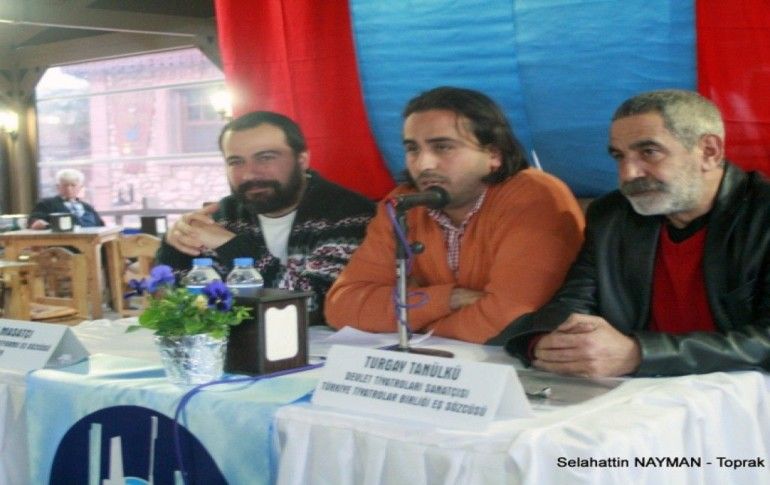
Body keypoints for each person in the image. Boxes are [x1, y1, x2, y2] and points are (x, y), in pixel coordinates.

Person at [501, 89, 770, 377]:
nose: (628, 173)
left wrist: (640, 353)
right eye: (619, 156)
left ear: (709, 151)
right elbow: (573, 303)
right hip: (642, 390)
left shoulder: (761, 213)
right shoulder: (613, 216)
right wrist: (546, 343)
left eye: (649, 152)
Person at [325, 86, 585, 343]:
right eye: (413, 149)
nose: (424, 164)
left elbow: (507, 320)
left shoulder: (534, 197)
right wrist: (448, 299)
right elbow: (341, 307)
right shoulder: (402, 204)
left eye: (443, 147)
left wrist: (410, 321)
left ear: (493, 155)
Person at [156, 111, 375, 324]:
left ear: (302, 160)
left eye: (265, 158)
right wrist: (175, 246)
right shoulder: (223, 216)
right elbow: (180, 306)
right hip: (239, 345)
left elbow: (317, 305)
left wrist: (232, 246)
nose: (249, 173)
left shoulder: (350, 214)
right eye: (236, 162)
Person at [28, 168, 104, 228]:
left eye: (73, 185)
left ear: (80, 187)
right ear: (58, 187)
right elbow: (35, 222)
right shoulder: (46, 204)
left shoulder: (87, 207)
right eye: (65, 185)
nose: (69, 189)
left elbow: (101, 226)